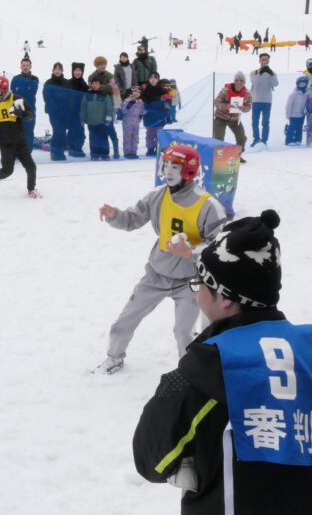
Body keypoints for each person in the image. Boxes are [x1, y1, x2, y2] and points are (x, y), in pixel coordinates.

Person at [132, 209, 312, 515]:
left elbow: (151, 463)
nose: (195, 295)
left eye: (200, 284)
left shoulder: (190, 383)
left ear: (225, 298)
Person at [93, 145, 226, 374]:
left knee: (183, 332)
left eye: (175, 166)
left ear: (190, 171)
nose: (168, 171)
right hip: (156, 274)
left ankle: (190, 373)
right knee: (125, 320)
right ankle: (114, 357)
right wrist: (115, 215)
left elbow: (221, 248)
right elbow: (132, 219)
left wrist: (192, 253)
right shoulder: (156, 196)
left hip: (191, 281)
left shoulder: (209, 206)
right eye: (165, 165)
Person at [0, 75, 39, 197]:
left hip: (20, 140)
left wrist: (22, 113)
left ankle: (31, 189)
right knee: (7, 171)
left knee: (31, 167)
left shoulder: (15, 98)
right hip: (4, 142)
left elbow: (31, 115)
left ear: (4, 87)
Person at [213, 72, 251, 161]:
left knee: (242, 137)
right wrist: (227, 106)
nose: (239, 82)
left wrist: (244, 108)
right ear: (234, 81)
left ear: (244, 82)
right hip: (221, 117)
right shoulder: (226, 90)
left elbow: (249, 106)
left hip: (234, 119)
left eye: (241, 80)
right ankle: (218, 158)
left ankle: (237, 155)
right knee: (219, 138)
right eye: (237, 80)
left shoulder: (247, 93)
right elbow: (216, 102)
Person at [88, 56, 120, 159]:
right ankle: (94, 153)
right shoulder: (91, 76)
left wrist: (100, 88)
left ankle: (106, 152)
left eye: (104, 64)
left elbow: (112, 89)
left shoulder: (110, 76)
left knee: (106, 130)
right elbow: (91, 89)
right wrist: (102, 88)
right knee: (95, 132)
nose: (103, 66)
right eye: (100, 64)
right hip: (95, 108)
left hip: (107, 107)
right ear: (96, 66)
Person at [81, 78, 117, 160]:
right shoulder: (87, 95)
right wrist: (82, 119)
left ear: (100, 85)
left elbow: (109, 109)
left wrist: (108, 119)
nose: (95, 85)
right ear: (91, 84)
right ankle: (94, 154)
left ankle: (105, 154)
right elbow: (83, 108)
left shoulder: (105, 95)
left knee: (103, 138)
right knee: (93, 138)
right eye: (93, 83)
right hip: (91, 122)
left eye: (97, 83)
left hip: (102, 122)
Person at [248, 53, 279, 147]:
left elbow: (276, 84)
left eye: (266, 60)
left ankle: (264, 140)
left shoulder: (272, 73)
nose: (264, 61)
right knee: (254, 122)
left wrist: (271, 74)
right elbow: (255, 82)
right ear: (259, 61)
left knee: (265, 122)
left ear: (269, 61)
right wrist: (261, 72)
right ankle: (256, 139)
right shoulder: (253, 72)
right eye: (262, 59)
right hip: (256, 100)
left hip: (267, 101)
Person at [10, 57, 40, 150]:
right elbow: (13, 92)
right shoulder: (15, 78)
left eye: (27, 65)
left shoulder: (35, 78)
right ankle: (16, 152)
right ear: (20, 66)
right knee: (16, 131)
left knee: (28, 131)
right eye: (23, 65)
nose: (25, 67)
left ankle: (27, 152)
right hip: (17, 108)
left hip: (29, 109)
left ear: (30, 66)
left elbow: (31, 91)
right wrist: (25, 88)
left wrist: (21, 88)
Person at [42, 62, 70, 161]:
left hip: (65, 112)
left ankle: (60, 151)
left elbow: (70, 96)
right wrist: (55, 108)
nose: (57, 71)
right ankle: (54, 152)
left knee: (62, 131)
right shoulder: (48, 82)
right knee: (57, 130)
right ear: (53, 70)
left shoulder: (67, 82)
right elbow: (47, 97)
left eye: (59, 69)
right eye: (56, 69)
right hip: (54, 112)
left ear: (62, 71)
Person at [141, 72, 169, 156]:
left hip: (160, 117)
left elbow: (168, 103)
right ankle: (150, 149)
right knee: (149, 134)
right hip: (149, 118)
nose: (153, 79)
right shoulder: (145, 90)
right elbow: (143, 104)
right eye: (151, 77)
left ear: (158, 79)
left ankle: (159, 148)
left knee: (159, 134)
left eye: (155, 78)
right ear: (149, 79)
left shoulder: (163, 90)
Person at [65, 62, 88, 157]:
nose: (77, 72)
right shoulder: (68, 83)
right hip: (70, 112)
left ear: (82, 72)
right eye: (76, 70)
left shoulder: (84, 84)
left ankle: (78, 147)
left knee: (80, 130)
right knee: (71, 130)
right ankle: (71, 147)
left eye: (79, 70)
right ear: (72, 71)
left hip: (80, 112)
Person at [118, 85, 145, 159]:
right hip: (128, 121)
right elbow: (123, 110)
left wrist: (141, 116)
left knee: (135, 137)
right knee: (127, 137)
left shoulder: (140, 101)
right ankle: (127, 153)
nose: (137, 93)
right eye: (135, 91)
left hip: (136, 122)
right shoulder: (127, 100)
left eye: (139, 92)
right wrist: (129, 104)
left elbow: (142, 110)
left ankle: (133, 152)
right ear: (132, 92)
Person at [284, 76, 311, 146]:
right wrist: (288, 114)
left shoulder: (307, 94)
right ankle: (289, 140)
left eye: (304, 84)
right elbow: (288, 105)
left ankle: (298, 140)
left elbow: (309, 101)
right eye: (301, 84)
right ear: (298, 84)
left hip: (301, 114)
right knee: (292, 127)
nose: (302, 86)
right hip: (293, 114)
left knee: (299, 127)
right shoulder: (293, 95)